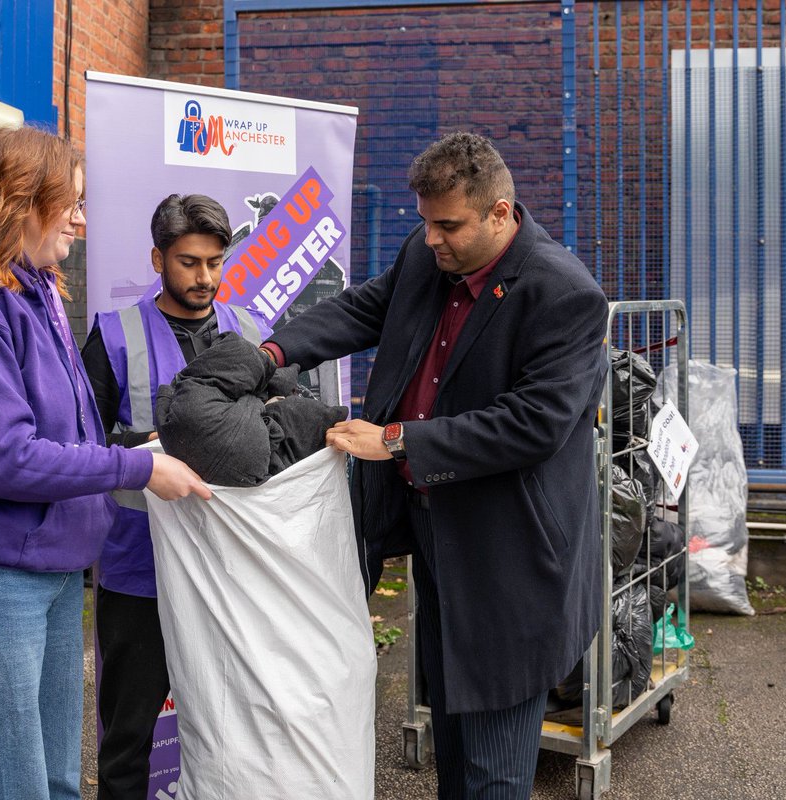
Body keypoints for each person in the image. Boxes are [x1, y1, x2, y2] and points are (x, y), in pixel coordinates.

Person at [261, 132, 609, 799]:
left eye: (448, 225)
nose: (431, 240)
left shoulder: (563, 294)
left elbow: (532, 424)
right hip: (436, 531)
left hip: (511, 556)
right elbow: (368, 305)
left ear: (501, 213)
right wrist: (273, 353)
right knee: (451, 743)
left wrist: (396, 440)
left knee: (495, 772)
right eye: (425, 223)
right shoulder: (429, 258)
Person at [0, 127, 211, 800]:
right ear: (17, 202)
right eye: (68, 202)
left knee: (54, 782)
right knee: (4, 785)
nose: (81, 217)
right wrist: (136, 469)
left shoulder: (33, 291)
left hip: (51, 572)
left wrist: (138, 452)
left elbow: (70, 432)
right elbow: (6, 458)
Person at [80, 193, 270, 799]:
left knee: (235, 729)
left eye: (216, 262)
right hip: (141, 570)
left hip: (232, 568)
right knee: (129, 736)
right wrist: (149, 446)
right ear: (157, 258)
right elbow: (81, 448)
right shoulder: (113, 336)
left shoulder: (251, 333)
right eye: (189, 262)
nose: (206, 278)